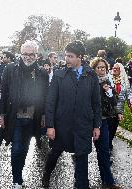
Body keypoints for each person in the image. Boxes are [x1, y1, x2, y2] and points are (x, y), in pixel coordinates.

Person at [42, 41, 101, 189]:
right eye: (66, 55)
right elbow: (50, 102)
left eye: (70, 56)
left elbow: (96, 103)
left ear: (80, 57)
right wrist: (50, 126)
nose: (66, 59)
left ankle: (81, 184)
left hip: (83, 125)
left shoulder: (91, 75)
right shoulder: (59, 75)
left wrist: (97, 125)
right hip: (62, 125)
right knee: (55, 153)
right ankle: (46, 174)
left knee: (82, 157)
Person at [0, 40, 48, 189]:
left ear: (37, 55)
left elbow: (45, 96)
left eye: (31, 54)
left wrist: (44, 115)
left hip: (33, 117)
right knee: (17, 146)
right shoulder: (10, 69)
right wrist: (1, 114)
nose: (28, 57)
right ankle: (16, 180)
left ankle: (19, 173)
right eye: (25, 54)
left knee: (25, 147)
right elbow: (4, 93)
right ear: (20, 54)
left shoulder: (42, 73)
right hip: (15, 115)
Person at [90, 57, 121, 189]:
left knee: (104, 151)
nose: (101, 70)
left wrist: (108, 91)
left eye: (103, 67)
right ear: (94, 69)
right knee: (82, 151)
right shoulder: (90, 82)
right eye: (98, 67)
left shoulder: (108, 81)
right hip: (89, 121)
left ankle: (108, 181)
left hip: (103, 121)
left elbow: (114, 101)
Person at [108, 63, 132, 150]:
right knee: (107, 125)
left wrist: (130, 101)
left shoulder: (124, 81)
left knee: (114, 126)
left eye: (117, 69)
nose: (114, 69)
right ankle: (106, 144)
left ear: (121, 70)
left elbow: (128, 92)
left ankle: (109, 141)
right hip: (108, 107)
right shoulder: (108, 78)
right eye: (113, 68)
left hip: (119, 107)